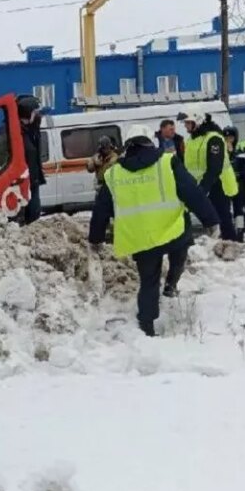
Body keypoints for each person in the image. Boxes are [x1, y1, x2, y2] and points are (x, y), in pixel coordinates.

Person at [89, 124, 219, 337]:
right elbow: (191, 192)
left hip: (140, 238)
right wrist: (210, 220)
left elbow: (101, 209)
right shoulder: (168, 162)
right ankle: (171, 284)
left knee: (148, 281)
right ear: (151, 141)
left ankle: (147, 326)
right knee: (181, 250)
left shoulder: (113, 174)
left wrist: (95, 239)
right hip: (172, 230)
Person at [181, 107, 239, 241]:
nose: (185, 126)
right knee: (209, 219)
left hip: (219, 183)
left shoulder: (214, 138)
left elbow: (214, 167)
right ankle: (216, 244)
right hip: (202, 186)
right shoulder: (191, 139)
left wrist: (203, 188)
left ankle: (231, 244)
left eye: (188, 122)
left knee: (223, 218)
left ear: (198, 121)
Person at [224, 125, 245, 241]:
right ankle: (228, 232)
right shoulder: (222, 150)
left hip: (239, 185)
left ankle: (241, 232)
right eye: (226, 137)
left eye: (231, 137)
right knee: (226, 210)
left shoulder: (240, 149)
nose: (228, 140)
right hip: (226, 185)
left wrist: (241, 175)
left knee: (239, 210)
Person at [17, 95, 45, 223]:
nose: (37, 115)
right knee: (31, 215)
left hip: (33, 181)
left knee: (35, 212)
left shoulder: (31, 129)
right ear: (28, 113)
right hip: (25, 182)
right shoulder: (19, 133)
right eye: (35, 112)